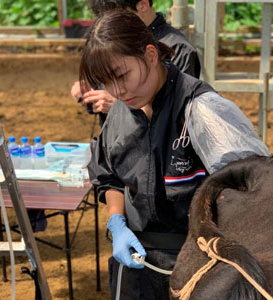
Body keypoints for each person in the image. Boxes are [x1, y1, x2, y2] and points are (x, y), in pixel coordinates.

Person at [79, 10, 270, 299]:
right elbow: (110, 178)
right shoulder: (119, 113)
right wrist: (117, 223)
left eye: (122, 76)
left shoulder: (201, 110)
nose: (118, 91)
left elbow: (254, 189)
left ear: (151, 55)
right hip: (135, 260)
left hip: (199, 265)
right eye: (106, 83)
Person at [71, 0, 200, 120]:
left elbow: (179, 115)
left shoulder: (179, 49)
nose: (108, 24)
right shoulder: (112, 42)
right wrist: (90, 92)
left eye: (117, 16)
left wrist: (122, 107)